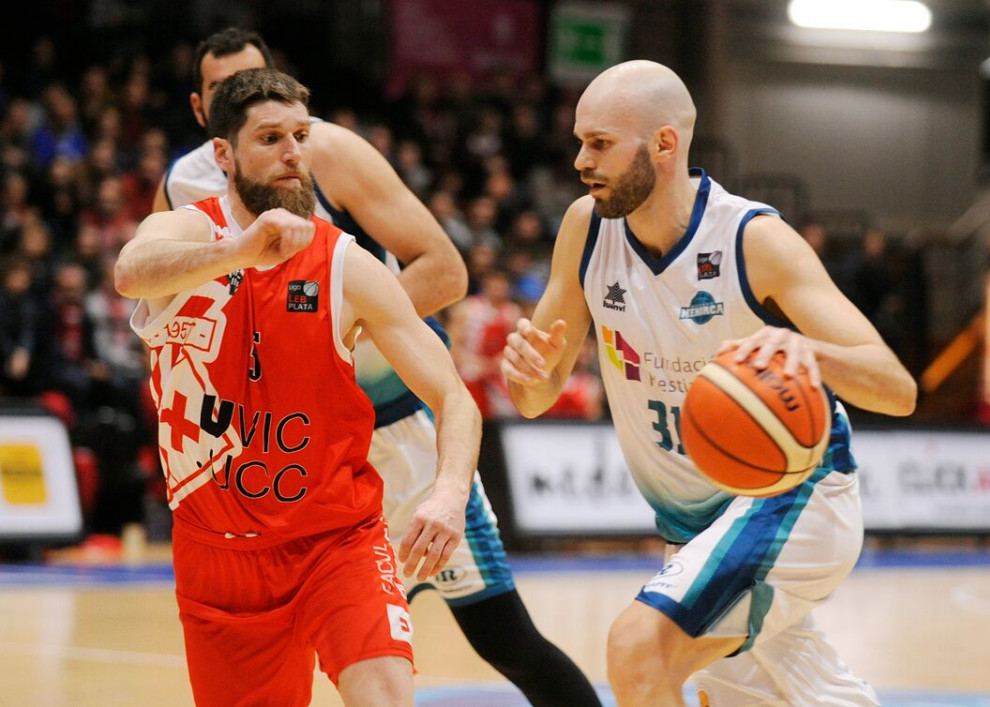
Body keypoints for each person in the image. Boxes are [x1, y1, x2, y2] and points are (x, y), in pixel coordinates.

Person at [153, 28, 602, 707]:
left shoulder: (326, 152)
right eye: (224, 89)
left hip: (399, 433)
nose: (246, 96)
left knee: (500, 636)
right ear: (202, 111)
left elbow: (445, 270)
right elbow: (155, 294)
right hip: (279, 461)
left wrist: (338, 334)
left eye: (257, 78)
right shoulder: (183, 187)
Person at [501, 59, 917, 707]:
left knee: (640, 645)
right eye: (581, 141)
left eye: (600, 143)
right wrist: (525, 376)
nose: (581, 160)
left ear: (665, 144)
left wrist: (804, 348)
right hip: (693, 523)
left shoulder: (753, 239)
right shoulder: (585, 228)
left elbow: (897, 387)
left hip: (793, 497)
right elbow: (537, 395)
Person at [114, 68, 481, 707]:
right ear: (224, 153)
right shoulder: (191, 234)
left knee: (386, 695)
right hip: (216, 554)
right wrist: (240, 254)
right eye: (270, 138)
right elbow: (130, 271)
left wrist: (448, 494)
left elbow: (454, 396)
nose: (292, 153)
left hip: (336, 543)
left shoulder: (345, 262)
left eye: (301, 136)